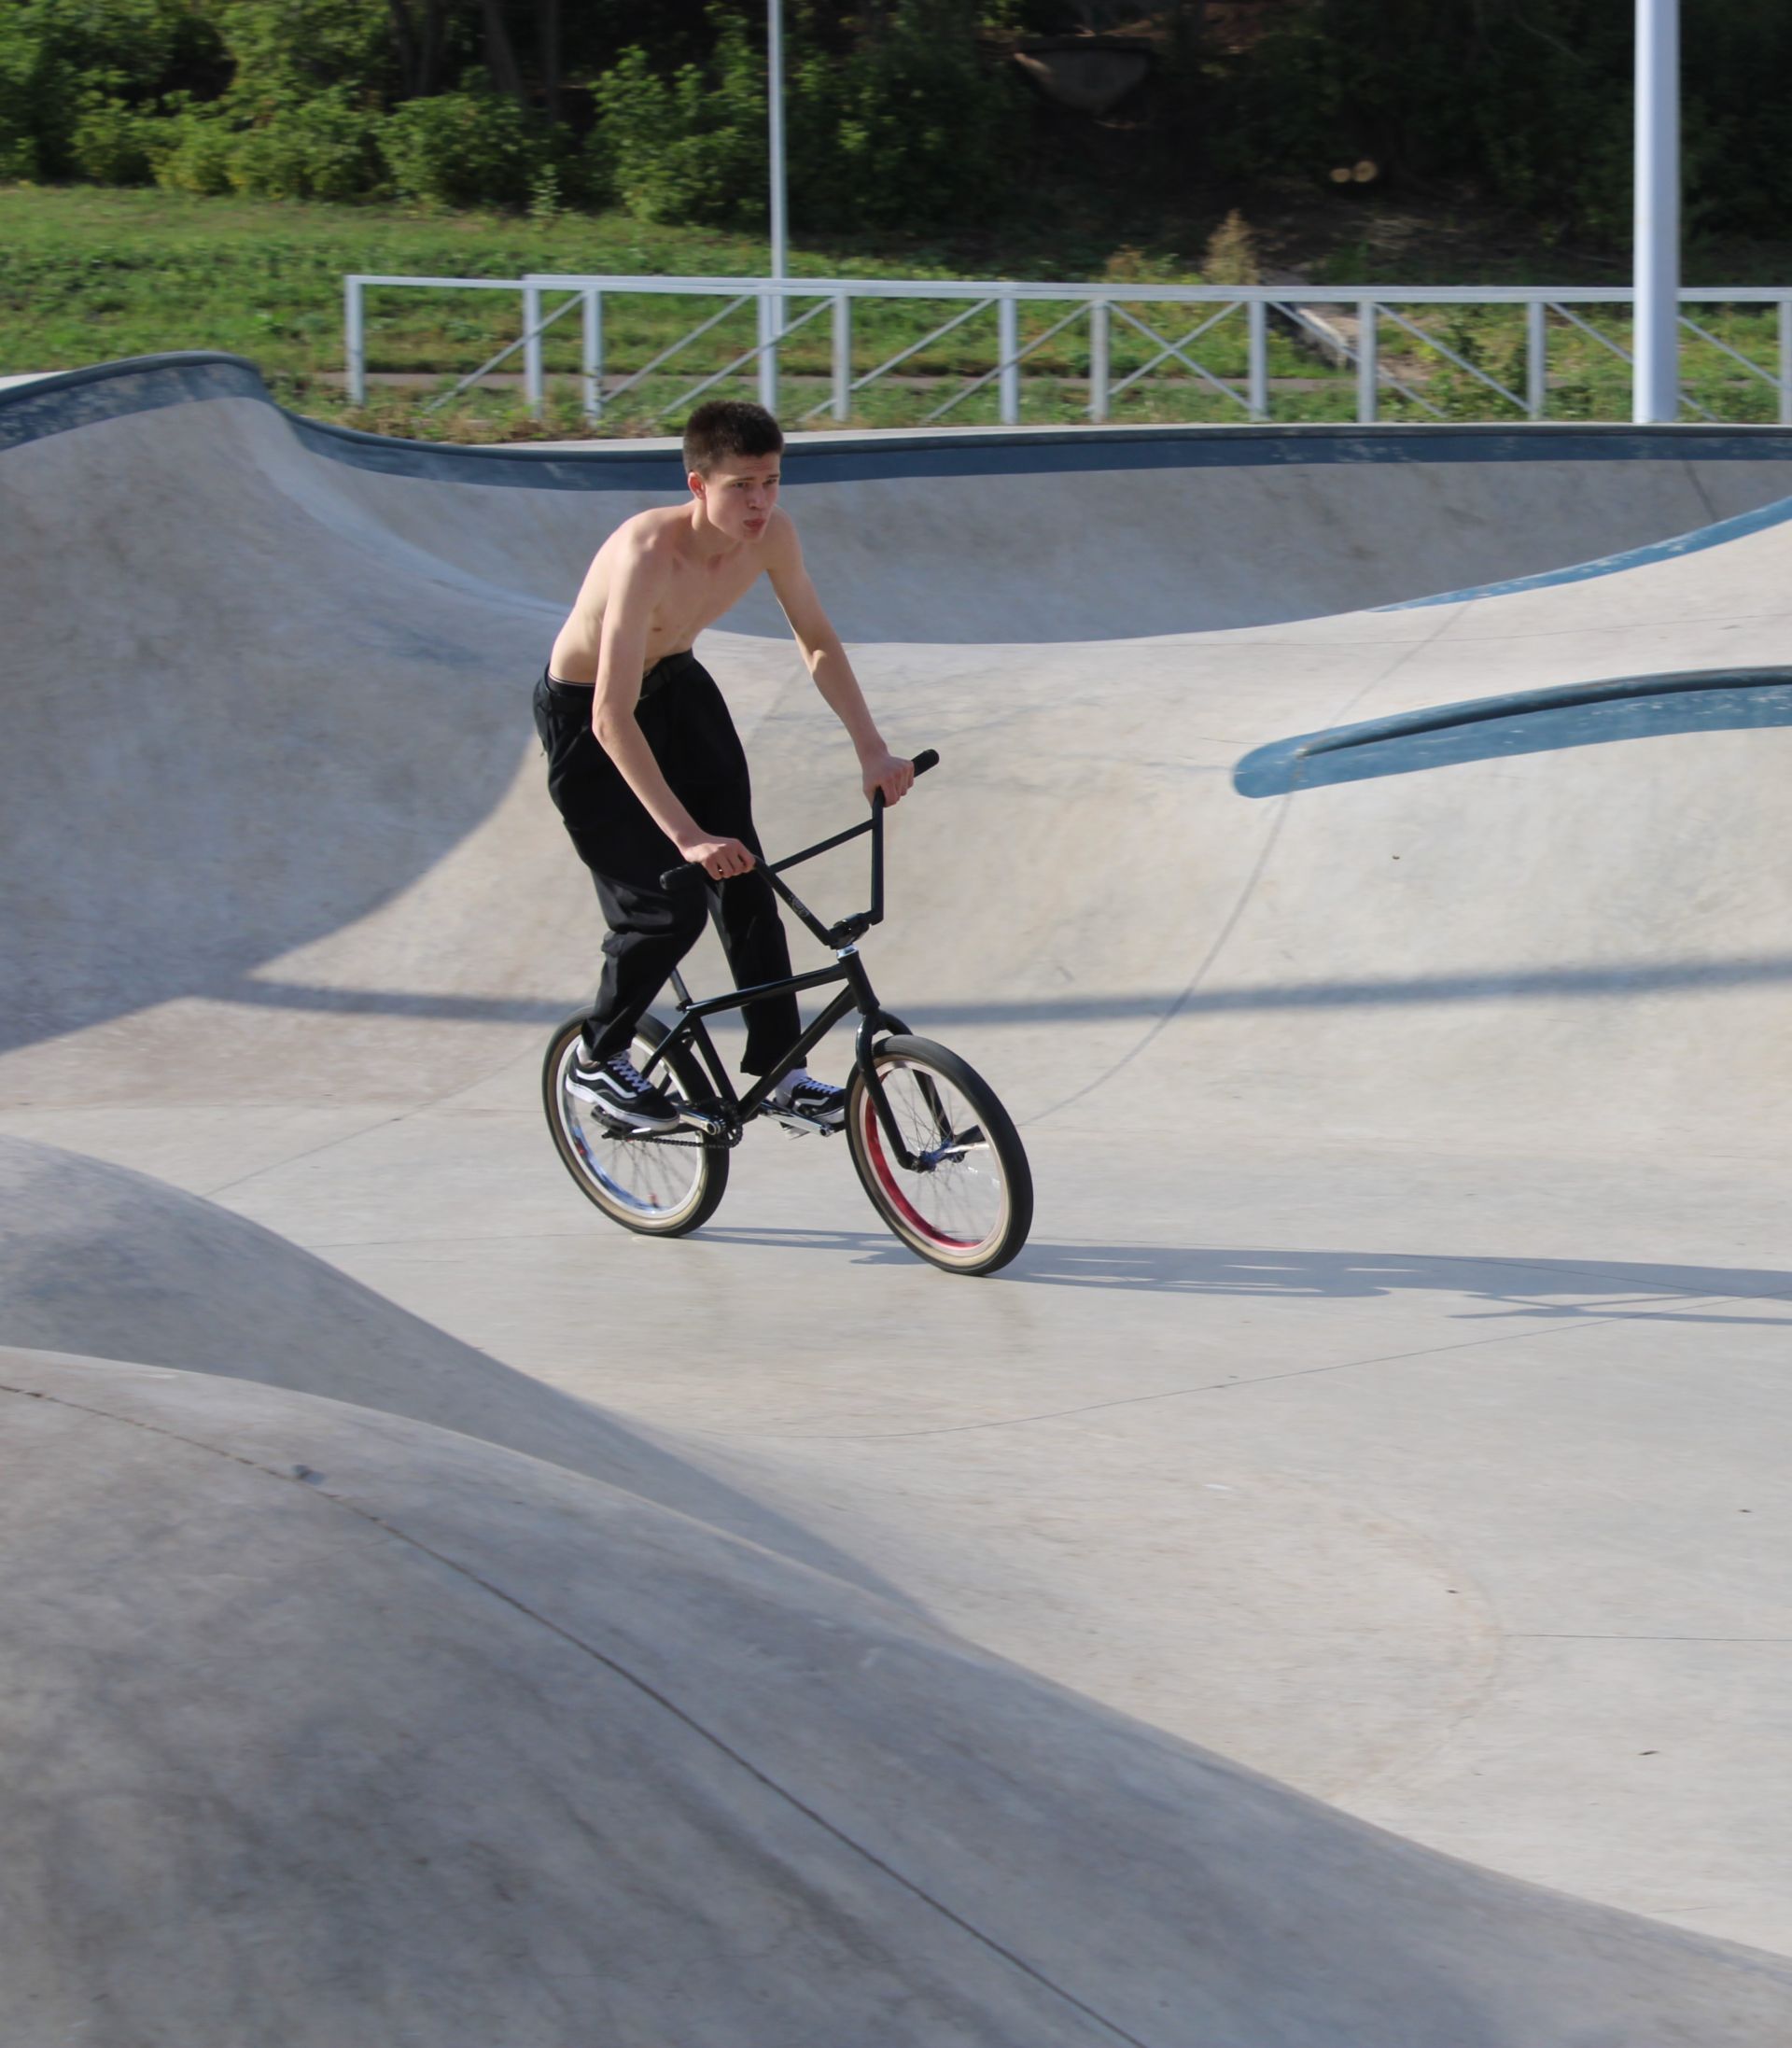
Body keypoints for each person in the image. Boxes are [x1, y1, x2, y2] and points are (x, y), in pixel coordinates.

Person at [534, 399, 914, 1135]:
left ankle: (781, 1070)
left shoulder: (774, 537)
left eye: (771, 481)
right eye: (742, 485)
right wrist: (685, 837)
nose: (760, 502)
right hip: (589, 715)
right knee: (666, 906)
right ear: (698, 484)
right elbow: (610, 716)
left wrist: (870, 746)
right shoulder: (646, 550)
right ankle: (597, 1053)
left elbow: (818, 640)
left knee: (746, 880)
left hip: (678, 690)